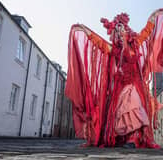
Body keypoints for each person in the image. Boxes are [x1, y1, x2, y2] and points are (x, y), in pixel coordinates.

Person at [65, 9, 163, 148]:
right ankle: (125, 139)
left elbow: (147, 31)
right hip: (120, 85)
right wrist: (84, 30)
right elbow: (100, 43)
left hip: (135, 84)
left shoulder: (136, 43)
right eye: (117, 30)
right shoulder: (115, 50)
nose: (119, 31)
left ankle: (133, 139)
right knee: (122, 110)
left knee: (134, 105)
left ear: (127, 30)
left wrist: (153, 17)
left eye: (121, 28)